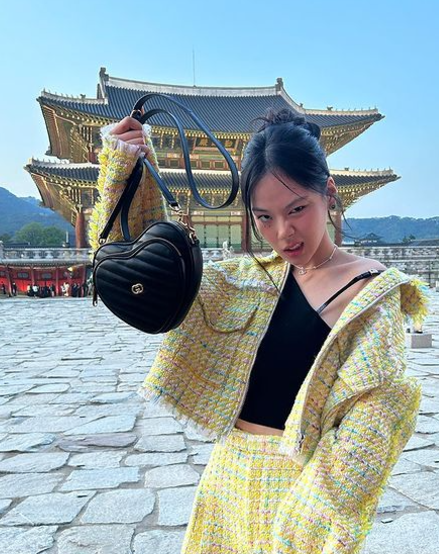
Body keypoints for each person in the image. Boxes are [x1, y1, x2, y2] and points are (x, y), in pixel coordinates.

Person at [89, 108, 429, 554]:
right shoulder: (243, 281)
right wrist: (127, 166)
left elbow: (371, 422)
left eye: (297, 209)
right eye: (264, 217)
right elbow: (141, 271)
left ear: (329, 194)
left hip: (302, 492)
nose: (284, 232)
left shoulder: (372, 293)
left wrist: (312, 517)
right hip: (227, 481)